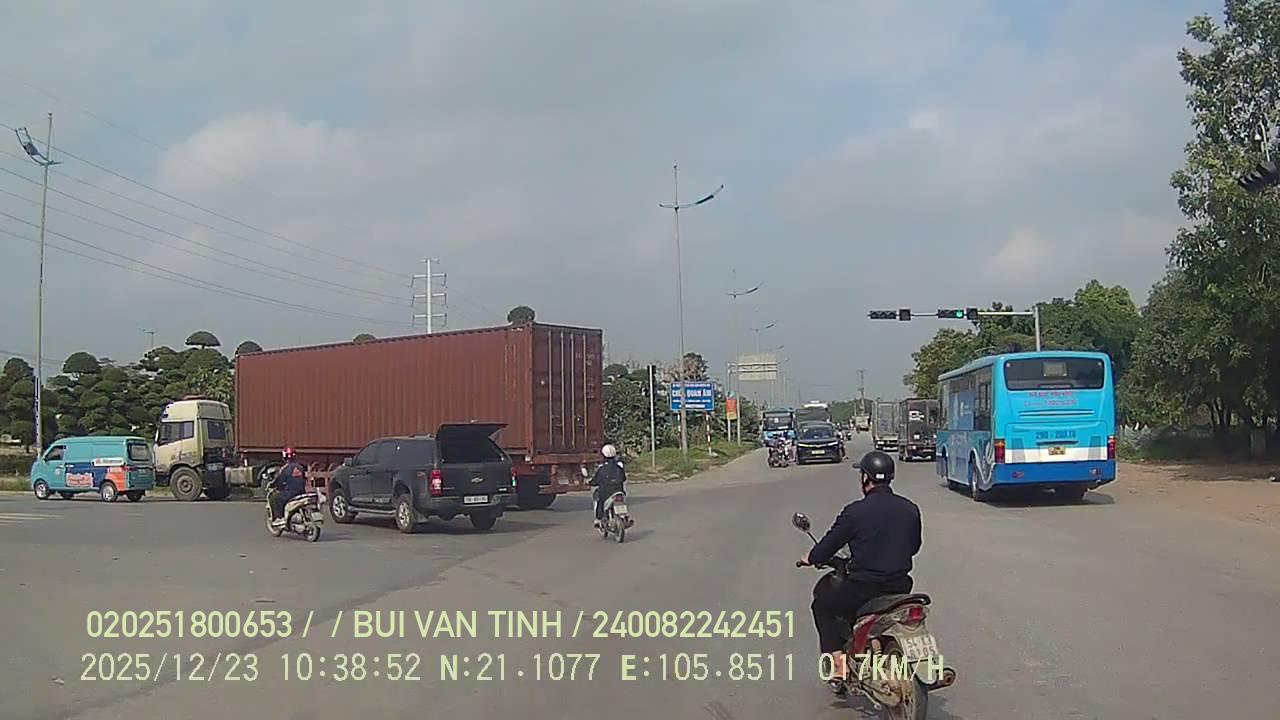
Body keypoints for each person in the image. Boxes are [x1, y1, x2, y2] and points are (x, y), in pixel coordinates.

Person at [798, 450, 922, 692]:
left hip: (863, 589)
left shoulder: (855, 512)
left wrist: (810, 558)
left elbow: (828, 545)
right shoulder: (910, 508)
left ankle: (838, 666)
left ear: (866, 478)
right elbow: (914, 546)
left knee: (822, 603)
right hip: (900, 586)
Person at [589, 444, 626, 527]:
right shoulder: (619, 467)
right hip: (619, 491)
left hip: (605, 493)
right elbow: (624, 478)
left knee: (599, 501)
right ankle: (624, 517)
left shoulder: (601, 468)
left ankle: (598, 519)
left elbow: (596, 480)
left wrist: (591, 482)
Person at [269, 447, 308, 523]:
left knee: (274, 498)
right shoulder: (300, 467)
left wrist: (272, 485)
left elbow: (279, 480)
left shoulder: (285, 468)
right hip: (301, 492)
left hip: (290, 493)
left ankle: (279, 518)